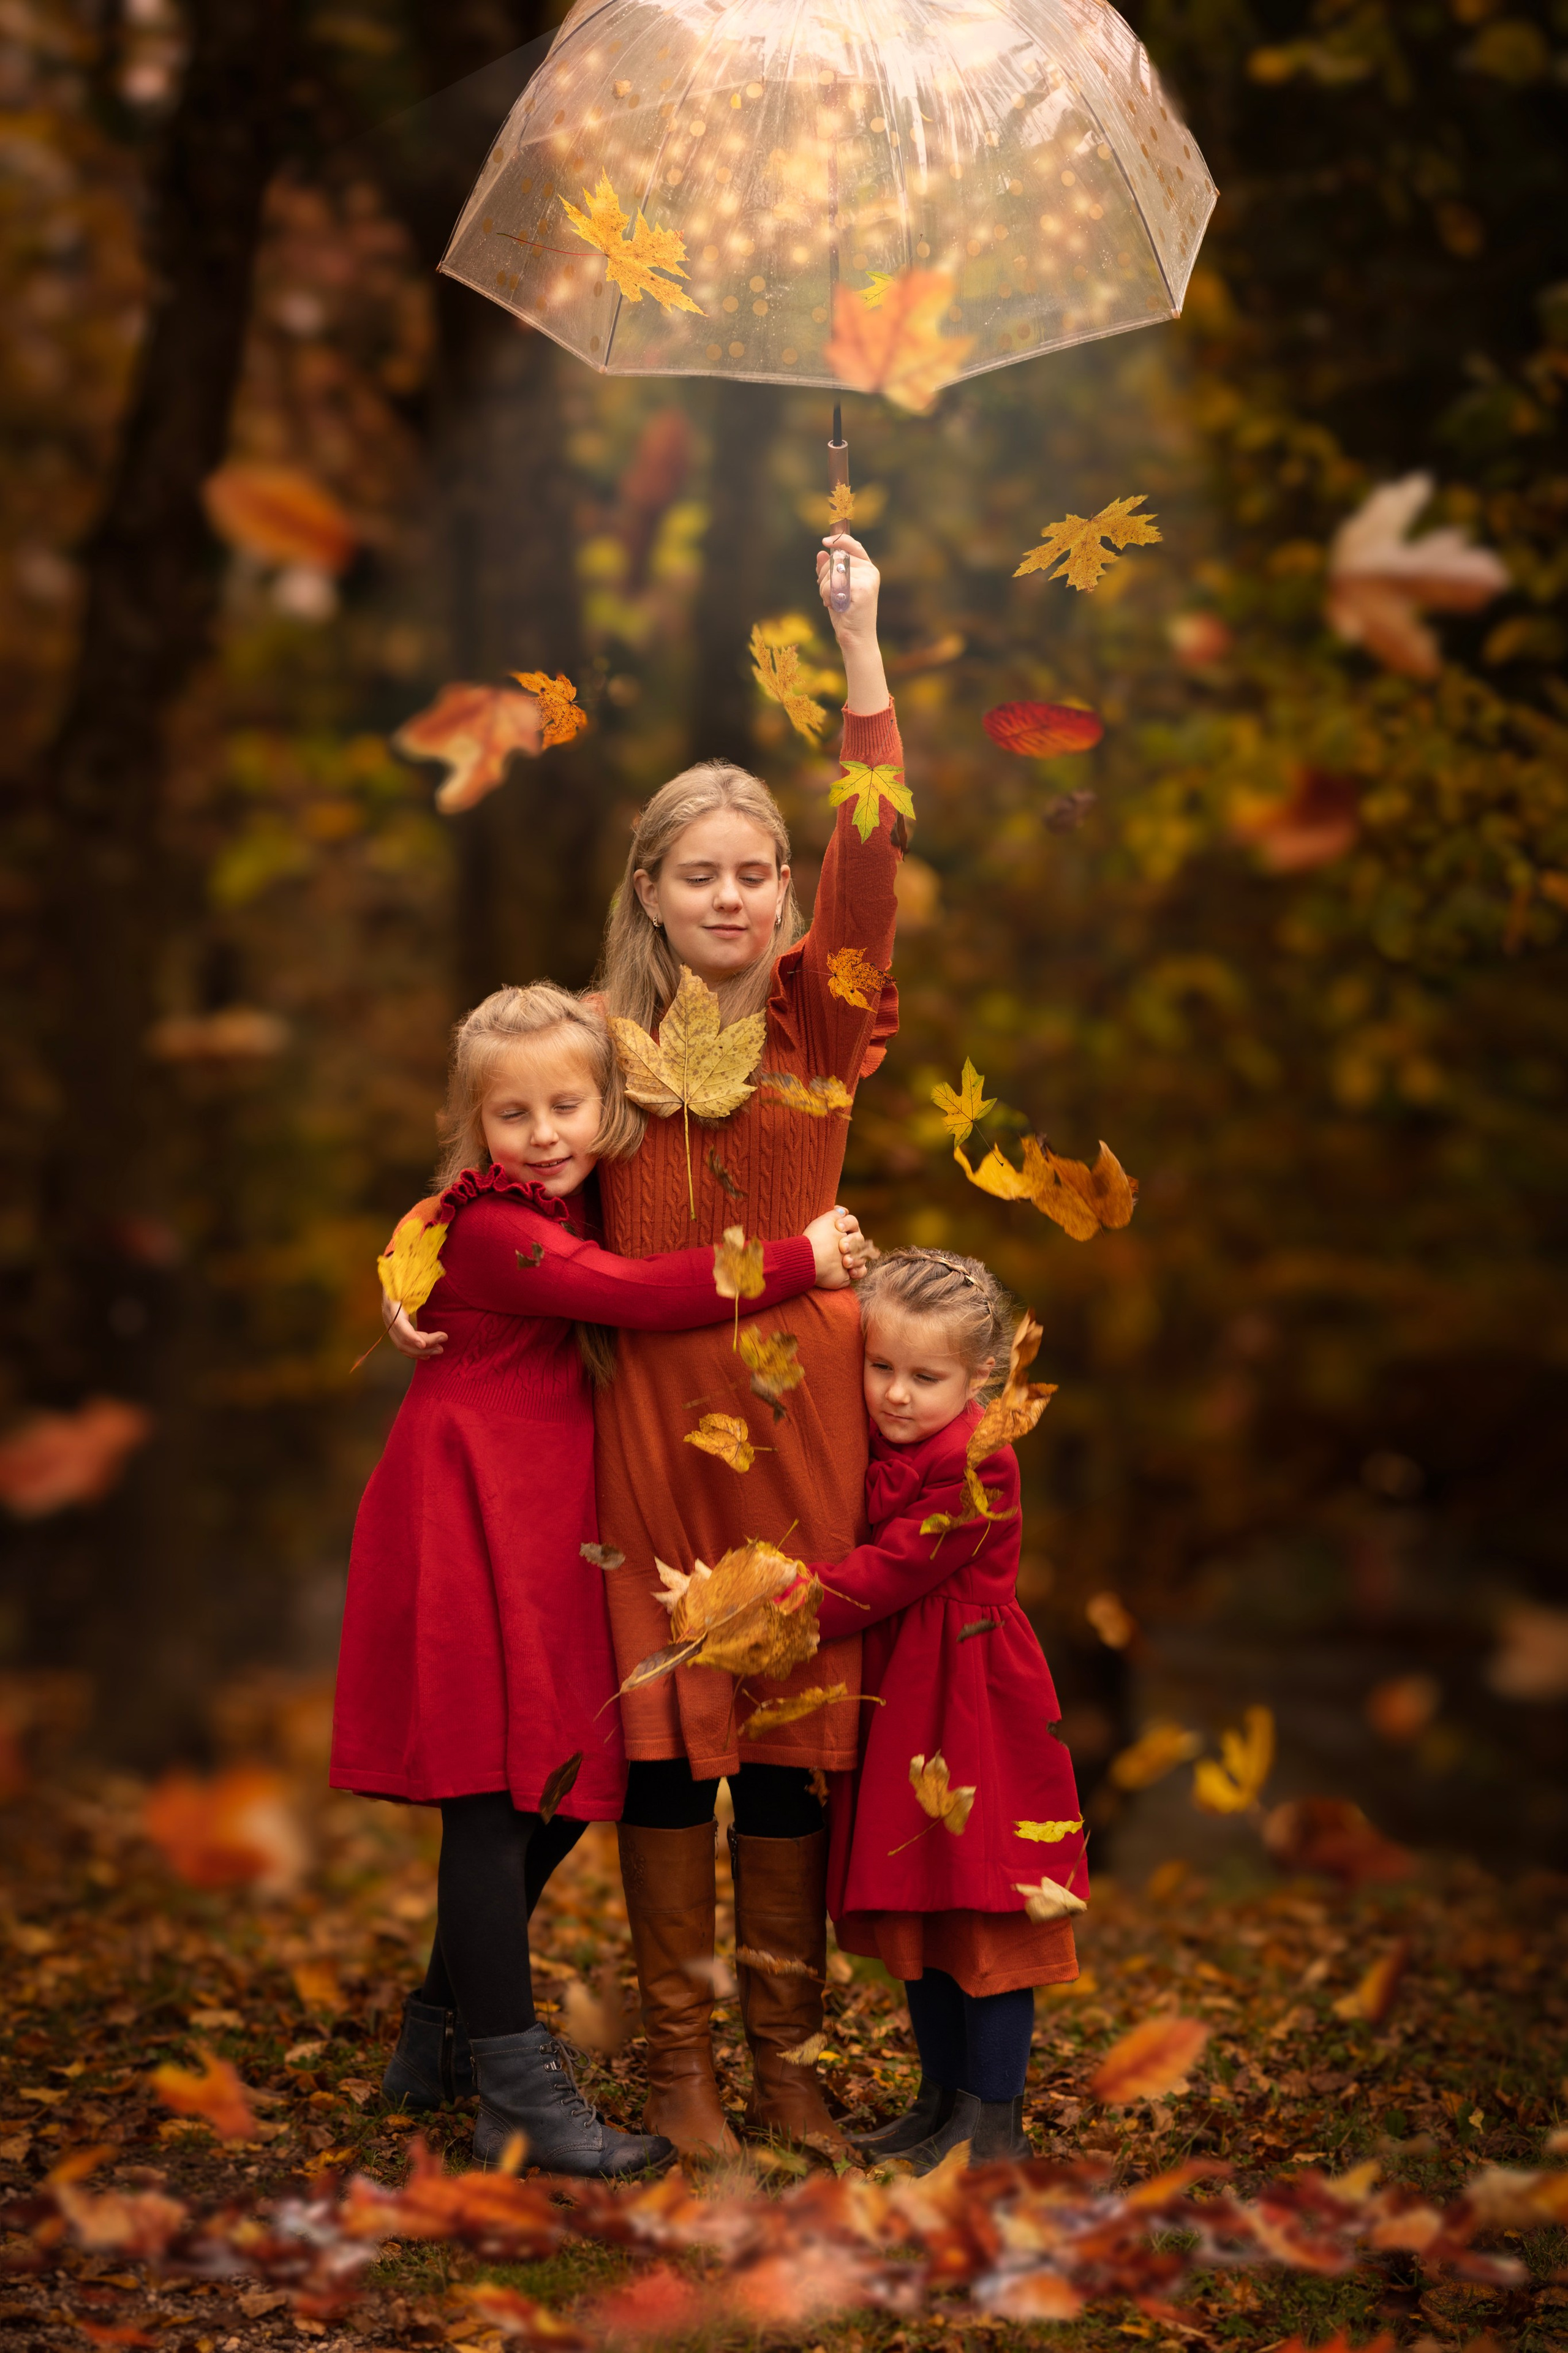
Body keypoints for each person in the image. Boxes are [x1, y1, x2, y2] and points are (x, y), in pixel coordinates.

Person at [331, 981, 867, 2176]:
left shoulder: (554, 1198)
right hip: (467, 1510)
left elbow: (599, 1008)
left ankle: (437, 2040)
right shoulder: (491, 1226)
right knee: (493, 1795)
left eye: (568, 1103)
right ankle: (514, 2084)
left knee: (561, 1784)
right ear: (475, 1128)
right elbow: (629, 1295)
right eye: (512, 1114)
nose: (546, 1131)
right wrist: (802, 1253)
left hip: (545, 1521)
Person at [587, 530, 905, 2158]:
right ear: (649, 890)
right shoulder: (601, 1056)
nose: (729, 895)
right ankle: (678, 2071)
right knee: (665, 1751)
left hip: (801, 1425)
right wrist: (412, 1268)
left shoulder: (822, 1016)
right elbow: (504, 1197)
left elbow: (872, 854)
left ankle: (785, 2062)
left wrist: (859, 648)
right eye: (697, 873)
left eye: (752, 874)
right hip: (651, 1437)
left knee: (786, 1747)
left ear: (781, 896)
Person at [803, 1247, 1089, 2175]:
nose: (894, 1394)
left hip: (970, 1703)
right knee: (918, 1904)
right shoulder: (864, 1436)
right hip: (904, 1698)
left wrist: (780, 1601)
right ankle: (940, 2099)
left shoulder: (982, 1458)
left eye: (925, 1377)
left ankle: (992, 2120)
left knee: (986, 1906)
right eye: (880, 1368)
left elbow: (893, 1572)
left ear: (980, 1377)